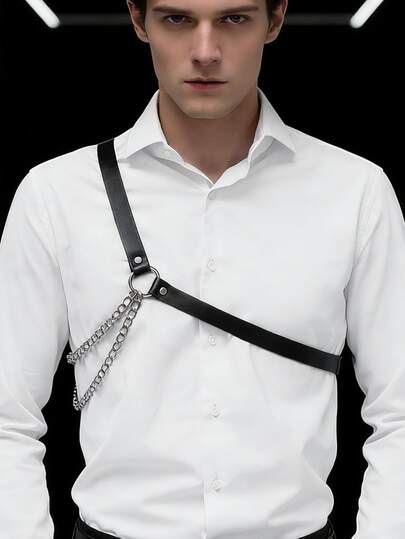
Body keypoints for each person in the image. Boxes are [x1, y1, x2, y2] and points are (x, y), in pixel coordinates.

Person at [1, 0, 404, 538]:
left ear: (275, 20)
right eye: (178, 19)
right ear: (139, 21)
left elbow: (398, 412)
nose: (206, 52)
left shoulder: (356, 191)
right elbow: (8, 418)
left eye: (234, 19)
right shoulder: (55, 196)